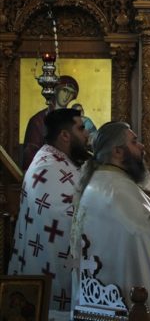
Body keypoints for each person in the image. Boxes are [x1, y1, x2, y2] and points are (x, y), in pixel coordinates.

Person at [71, 122, 150, 321]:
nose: (142, 146)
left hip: (94, 297)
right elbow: (144, 234)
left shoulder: (97, 182)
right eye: (134, 142)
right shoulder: (117, 188)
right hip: (123, 301)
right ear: (118, 151)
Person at [9, 108, 90, 312]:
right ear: (65, 135)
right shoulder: (47, 166)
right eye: (81, 128)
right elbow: (62, 213)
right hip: (50, 270)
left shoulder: (56, 161)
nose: (87, 134)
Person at [23, 75, 79, 170]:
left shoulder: (73, 121)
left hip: (69, 171)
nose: (67, 96)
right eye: (64, 91)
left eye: (71, 93)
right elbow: (30, 155)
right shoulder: (38, 120)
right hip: (44, 171)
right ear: (56, 91)